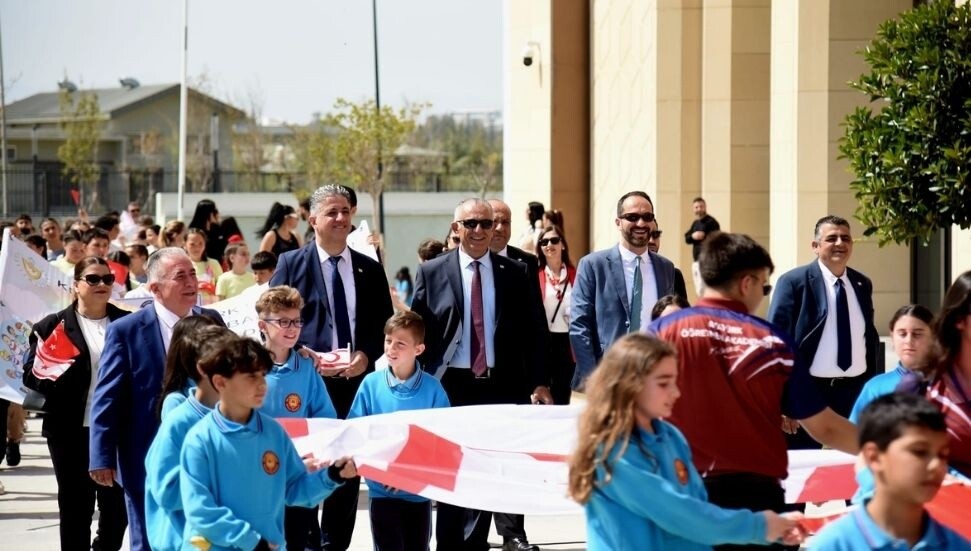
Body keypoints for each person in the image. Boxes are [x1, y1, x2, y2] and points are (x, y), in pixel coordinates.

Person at [648, 232, 858, 551]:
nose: (763, 294)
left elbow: (619, 409)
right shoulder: (771, 341)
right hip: (757, 503)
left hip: (681, 494)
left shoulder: (662, 332)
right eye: (764, 286)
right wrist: (890, 450)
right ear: (747, 283)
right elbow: (826, 427)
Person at [567, 333, 805, 550]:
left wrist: (777, 527)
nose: (676, 392)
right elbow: (680, 514)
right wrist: (761, 526)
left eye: (675, 381)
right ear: (630, 384)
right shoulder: (611, 451)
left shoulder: (672, 437)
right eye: (663, 383)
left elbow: (699, 511)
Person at [410, 198, 551, 551]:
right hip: (451, 385)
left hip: (502, 384)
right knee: (454, 471)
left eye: (486, 224)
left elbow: (535, 330)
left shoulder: (515, 273)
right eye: (470, 223)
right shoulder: (432, 271)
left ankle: (484, 540)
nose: (478, 231)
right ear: (455, 228)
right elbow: (417, 329)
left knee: (496, 470)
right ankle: (454, 544)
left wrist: (539, 381)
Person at [269, 184, 393, 551]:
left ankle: (334, 543)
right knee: (307, 463)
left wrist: (367, 355)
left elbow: (381, 322)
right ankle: (305, 541)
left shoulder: (369, 268)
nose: (341, 219)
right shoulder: (291, 264)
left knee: (346, 468)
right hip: (306, 383)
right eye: (332, 212)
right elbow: (273, 315)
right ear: (313, 219)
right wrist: (302, 350)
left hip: (354, 385)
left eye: (346, 212)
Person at [89, 247, 225, 551]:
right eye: (180, 276)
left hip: (209, 453)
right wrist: (102, 455)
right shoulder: (127, 330)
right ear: (155, 288)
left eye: (192, 273)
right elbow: (107, 396)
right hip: (145, 454)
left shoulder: (211, 320)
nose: (191, 282)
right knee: (149, 539)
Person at [179, 334, 358, 551]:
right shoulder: (200, 440)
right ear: (220, 382)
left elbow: (293, 489)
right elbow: (201, 510)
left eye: (263, 375)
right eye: (250, 377)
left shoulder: (273, 433)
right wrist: (252, 542)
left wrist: (331, 476)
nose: (262, 385)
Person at [23, 257, 129, 551]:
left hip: (115, 431)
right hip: (69, 431)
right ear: (76, 285)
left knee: (116, 509)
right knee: (75, 507)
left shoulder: (127, 323)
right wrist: (57, 370)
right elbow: (31, 376)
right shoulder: (52, 325)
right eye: (93, 279)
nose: (102, 285)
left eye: (107, 279)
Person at [768, 215, 879, 449]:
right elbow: (777, 344)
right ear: (815, 246)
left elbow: (868, 338)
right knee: (804, 467)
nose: (840, 243)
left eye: (845, 238)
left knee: (855, 463)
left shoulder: (862, 283)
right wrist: (783, 401)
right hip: (809, 391)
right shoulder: (793, 282)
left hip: (854, 392)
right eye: (831, 238)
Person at [807, 393, 971, 550]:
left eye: (943, 455)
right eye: (919, 452)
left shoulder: (958, 546)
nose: (936, 465)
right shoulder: (834, 545)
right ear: (874, 457)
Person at [348, 311, 450, 551]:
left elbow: (442, 443)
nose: (391, 348)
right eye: (387, 340)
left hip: (419, 494)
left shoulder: (434, 390)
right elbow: (355, 434)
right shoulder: (370, 385)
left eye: (400, 344)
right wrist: (381, 474)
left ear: (419, 349)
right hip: (381, 494)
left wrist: (410, 476)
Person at [569, 191, 681, 389]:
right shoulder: (593, 265)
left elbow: (671, 325)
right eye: (632, 217)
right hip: (605, 379)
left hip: (652, 378)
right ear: (618, 222)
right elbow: (579, 326)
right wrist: (592, 378)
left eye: (647, 217)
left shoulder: (666, 268)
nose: (641, 223)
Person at [256, 285, 338, 551]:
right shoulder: (246, 366)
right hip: (256, 478)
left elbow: (325, 418)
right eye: (283, 322)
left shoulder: (306, 368)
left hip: (297, 478)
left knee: (298, 540)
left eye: (296, 321)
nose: (292, 328)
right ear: (263, 325)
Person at [144, 325, 232, 551]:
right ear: (204, 369)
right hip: (186, 542)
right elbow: (167, 492)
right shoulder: (179, 420)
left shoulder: (236, 416)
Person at [849, 305, 936, 423]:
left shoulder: (947, 384)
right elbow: (855, 434)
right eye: (902, 334)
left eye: (917, 334)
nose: (908, 341)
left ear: (934, 338)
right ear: (892, 337)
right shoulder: (875, 388)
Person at [535, 224, 576, 405]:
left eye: (554, 240)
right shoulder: (536, 276)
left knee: (562, 394)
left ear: (563, 245)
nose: (549, 245)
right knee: (541, 393)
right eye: (544, 242)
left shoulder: (577, 275)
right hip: (544, 342)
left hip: (568, 343)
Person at [683, 197, 720, 296]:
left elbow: (717, 239)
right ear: (693, 209)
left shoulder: (712, 222)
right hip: (696, 261)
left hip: (707, 261)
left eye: (701, 206)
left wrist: (705, 236)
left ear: (705, 207)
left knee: (706, 288)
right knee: (699, 289)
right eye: (696, 207)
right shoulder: (695, 223)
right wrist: (693, 236)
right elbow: (687, 238)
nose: (699, 209)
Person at [646, 217, 689, 302]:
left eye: (655, 235)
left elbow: (683, 313)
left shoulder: (674, 275)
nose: (652, 241)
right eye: (647, 235)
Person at [185, 228, 223, 304]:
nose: (197, 248)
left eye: (200, 243)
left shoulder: (213, 263)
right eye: (192, 244)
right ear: (185, 244)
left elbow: (221, 287)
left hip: (210, 307)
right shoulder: (181, 264)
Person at [188, 198, 226, 264]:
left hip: (216, 265)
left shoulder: (216, 229)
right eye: (214, 211)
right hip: (200, 264)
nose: (217, 213)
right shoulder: (194, 231)